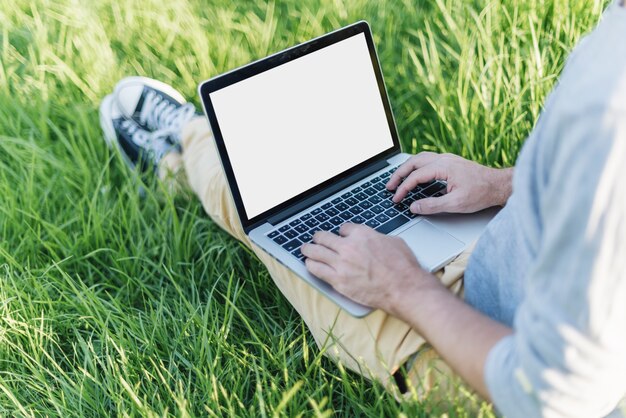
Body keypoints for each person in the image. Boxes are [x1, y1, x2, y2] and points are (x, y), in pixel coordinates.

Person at [99, 1, 626, 415]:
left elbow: (552, 398)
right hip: (506, 258)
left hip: (473, 358)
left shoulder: (606, 113)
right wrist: (500, 184)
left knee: (255, 210)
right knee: (314, 194)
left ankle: (186, 140)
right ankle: (180, 162)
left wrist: (403, 287)